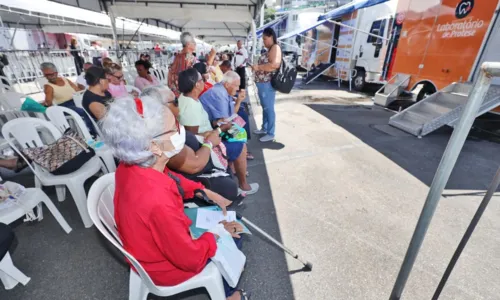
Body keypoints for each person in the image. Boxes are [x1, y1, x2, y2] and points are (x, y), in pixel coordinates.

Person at [100, 95, 250, 300]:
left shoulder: (133, 166)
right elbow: (190, 258)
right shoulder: (156, 199)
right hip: (166, 268)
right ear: (154, 145)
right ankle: (229, 294)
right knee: (235, 236)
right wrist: (216, 233)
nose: (181, 130)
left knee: (229, 225)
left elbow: (171, 178)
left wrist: (202, 190)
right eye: (174, 127)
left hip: (149, 246)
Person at [142, 85, 239, 200]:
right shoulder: (161, 138)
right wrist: (209, 143)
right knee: (230, 187)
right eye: (176, 102)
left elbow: (188, 137)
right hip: (198, 173)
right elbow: (195, 165)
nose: (180, 105)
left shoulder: (167, 125)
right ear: (161, 108)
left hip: (202, 160)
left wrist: (208, 134)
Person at [178, 69, 258, 195]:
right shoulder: (191, 106)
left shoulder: (189, 98)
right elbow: (192, 137)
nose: (204, 81)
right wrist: (219, 129)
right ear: (197, 84)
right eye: (201, 79)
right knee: (240, 143)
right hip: (206, 142)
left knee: (239, 131)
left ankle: (233, 168)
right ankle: (243, 184)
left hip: (211, 131)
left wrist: (216, 124)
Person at [251, 27, 281, 142]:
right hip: (263, 84)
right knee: (265, 108)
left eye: (265, 39)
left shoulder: (275, 48)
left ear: (271, 37)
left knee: (269, 108)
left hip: (267, 84)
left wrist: (258, 67)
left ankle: (271, 132)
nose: (263, 41)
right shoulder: (270, 49)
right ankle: (265, 128)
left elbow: (275, 64)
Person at [168, 32, 198, 96]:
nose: (195, 44)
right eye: (193, 42)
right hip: (183, 92)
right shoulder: (185, 57)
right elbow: (185, 77)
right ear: (188, 44)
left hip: (179, 90)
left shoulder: (181, 56)